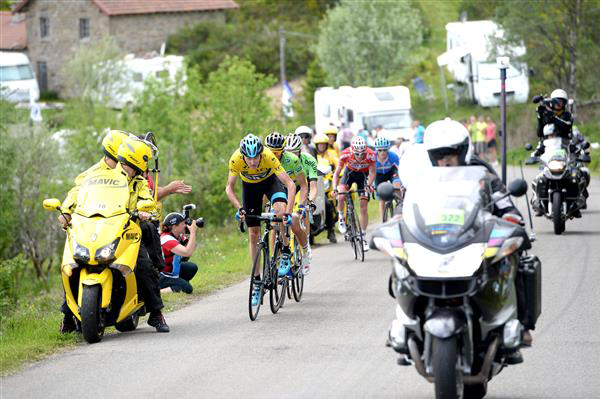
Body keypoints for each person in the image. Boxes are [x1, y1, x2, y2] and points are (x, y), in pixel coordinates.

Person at [423, 118, 532, 362]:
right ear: (431, 156)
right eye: (439, 155)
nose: (446, 160)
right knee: (403, 263)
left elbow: (506, 205)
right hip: (436, 243)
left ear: (463, 151)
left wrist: (512, 218)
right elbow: (408, 208)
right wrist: (399, 219)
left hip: (476, 241)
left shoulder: (483, 175)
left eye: (451, 153)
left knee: (515, 259)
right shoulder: (425, 179)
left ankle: (520, 326)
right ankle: (408, 323)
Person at [59, 134, 170, 333]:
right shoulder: (102, 176)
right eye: (134, 167)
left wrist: (145, 210)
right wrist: (66, 211)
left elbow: (147, 198)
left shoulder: (139, 182)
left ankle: (156, 313)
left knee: (143, 264)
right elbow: (77, 192)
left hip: (127, 228)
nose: (134, 171)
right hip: (96, 227)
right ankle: (68, 316)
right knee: (73, 262)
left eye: (135, 168)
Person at [225, 134, 296, 306]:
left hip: (270, 183)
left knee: (279, 211)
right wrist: (239, 208)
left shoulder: (269, 156)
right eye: (249, 158)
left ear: (260, 153)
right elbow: (229, 188)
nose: (253, 162)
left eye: (255, 157)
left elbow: (290, 184)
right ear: (242, 156)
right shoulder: (235, 160)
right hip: (250, 188)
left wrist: (287, 212)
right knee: (254, 233)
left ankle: (286, 252)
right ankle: (257, 281)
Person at [264, 132, 312, 274]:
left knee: (294, 220)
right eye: (272, 152)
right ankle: (276, 259)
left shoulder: (292, 160)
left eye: (278, 153)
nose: (275, 155)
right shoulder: (264, 161)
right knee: (274, 221)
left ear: (283, 150)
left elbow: (303, 185)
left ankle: (305, 250)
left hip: (294, 190)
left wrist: (302, 206)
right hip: (277, 192)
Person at [333, 136, 376, 252]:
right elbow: (336, 174)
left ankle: (363, 237)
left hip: (363, 176)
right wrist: (334, 188)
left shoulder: (371, 154)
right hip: (350, 174)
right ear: (352, 151)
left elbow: (372, 172)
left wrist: (369, 185)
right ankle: (341, 217)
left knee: (363, 207)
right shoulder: (345, 154)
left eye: (362, 154)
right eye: (357, 154)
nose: (360, 156)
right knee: (341, 195)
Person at [285, 133, 321, 245]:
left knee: (304, 208)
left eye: (294, 152)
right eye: (288, 152)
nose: (291, 155)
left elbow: (313, 187)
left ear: (300, 151)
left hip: (302, 187)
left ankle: (307, 242)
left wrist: (310, 201)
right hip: (286, 188)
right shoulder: (281, 160)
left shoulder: (309, 160)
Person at [159, 212, 199, 294]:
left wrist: (190, 235)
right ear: (174, 227)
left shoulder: (176, 236)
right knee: (187, 288)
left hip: (171, 272)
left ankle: (178, 283)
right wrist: (193, 232)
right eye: (183, 223)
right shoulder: (167, 239)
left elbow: (191, 248)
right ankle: (158, 292)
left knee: (191, 267)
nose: (185, 225)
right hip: (162, 276)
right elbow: (187, 252)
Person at [314, 133, 340, 243]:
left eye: (323, 145)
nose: (321, 147)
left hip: (327, 187)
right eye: (319, 145)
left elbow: (339, 165)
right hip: (316, 186)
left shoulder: (331, 154)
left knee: (328, 205)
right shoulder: (313, 156)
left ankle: (331, 231)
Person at [533, 89, 573, 156]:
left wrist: (553, 117)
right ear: (552, 102)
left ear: (564, 104)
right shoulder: (547, 115)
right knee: (542, 164)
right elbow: (540, 134)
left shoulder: (566, 115)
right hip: (548, 150)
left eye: (561, 102)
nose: (558, 104)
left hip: (562, 148)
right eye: (557, 102)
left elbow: (567, 126)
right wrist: (540, 117)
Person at [374, 137, 402, 221]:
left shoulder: (393, 156)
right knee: (382, 199)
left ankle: (400, 205)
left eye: (385, 150)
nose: (382, 152)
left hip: (391, 172)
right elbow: (370, 172)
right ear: (376, 150)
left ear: (388, 149)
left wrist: (400, 184)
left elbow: (399, 171)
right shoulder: (372, 158)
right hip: (378, 175)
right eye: (380, 150)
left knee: (397, 185)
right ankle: (384, 221)